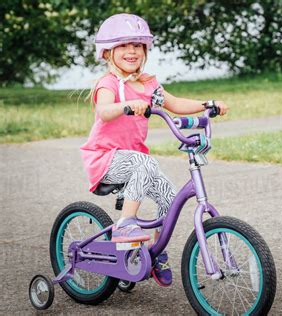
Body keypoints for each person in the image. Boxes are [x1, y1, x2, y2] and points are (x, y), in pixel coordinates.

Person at [80, 13, 228, 287]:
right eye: (124, 45)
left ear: (145, 50)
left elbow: (174, 103)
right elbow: (104, 110)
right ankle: (126, 223)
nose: (132, 50)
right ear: (108, 52)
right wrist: (127, 106)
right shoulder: (109, 84)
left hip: (136, 162)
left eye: (137, 45)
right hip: (105, 158)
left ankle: (155, 254)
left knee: (170, 200)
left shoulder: (149, 85)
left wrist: (206, 104)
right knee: (145, 162)